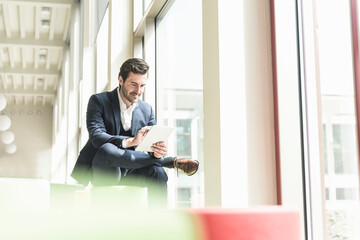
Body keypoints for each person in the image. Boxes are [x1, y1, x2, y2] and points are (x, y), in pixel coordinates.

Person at [71, 58, 199, 205]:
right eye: (133, 84)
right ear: (120, 80)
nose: (138, 91)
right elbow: (96, 136)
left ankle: (157, 224)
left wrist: (157, 152)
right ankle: (169, 162)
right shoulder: (98, 101)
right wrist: (130, 141)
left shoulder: (147, 110)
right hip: (103, 169)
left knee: (158, 172)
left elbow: (151, 144)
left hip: (131, 171)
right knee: (107, 148)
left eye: (142, 86)